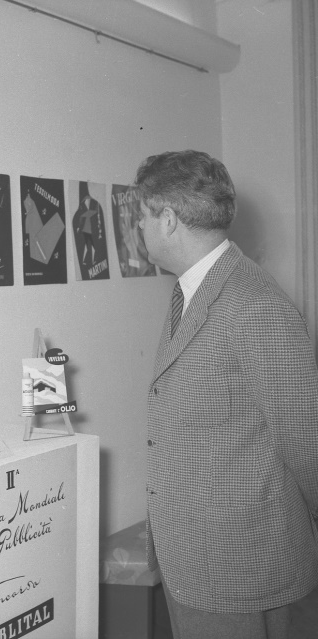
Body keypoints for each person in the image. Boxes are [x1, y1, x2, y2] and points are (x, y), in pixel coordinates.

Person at [135, 150, 318, 639]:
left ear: (168, 219)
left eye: (143, 215)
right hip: (192, 557)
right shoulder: (191, 291)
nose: (140, 227)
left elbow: (308, 443)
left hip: (240, 567)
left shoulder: (255, 305)